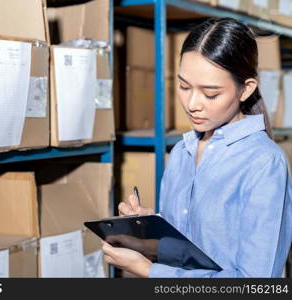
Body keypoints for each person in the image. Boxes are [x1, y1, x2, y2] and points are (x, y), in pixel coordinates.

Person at [102, 17, 292, 278]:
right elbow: (195, 251)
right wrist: (147, 241)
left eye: (210, 93)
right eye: (184, 86)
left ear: (246, 89)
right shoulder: (182, 152)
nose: (192, 103)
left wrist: (148, 270)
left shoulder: (263, 163)